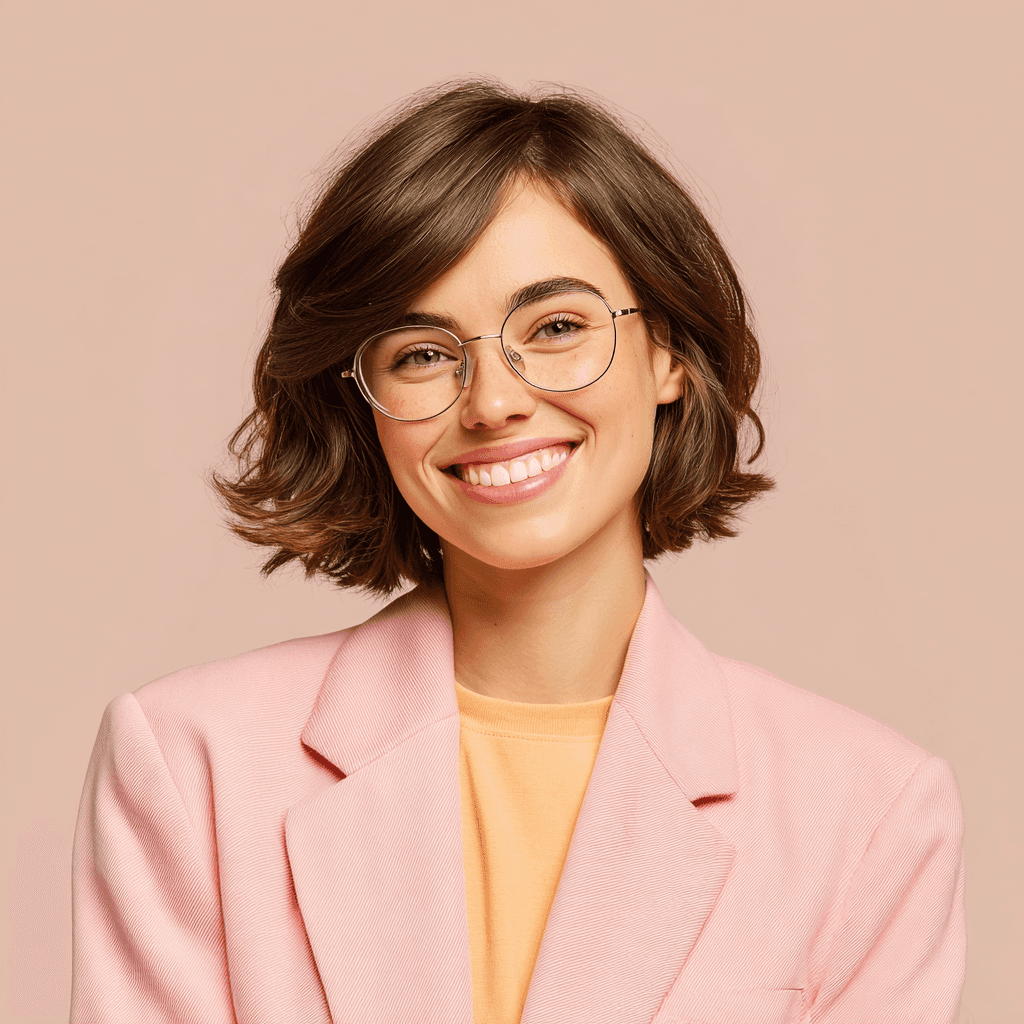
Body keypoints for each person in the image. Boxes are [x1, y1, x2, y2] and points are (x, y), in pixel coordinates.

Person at [70, 80, 966, 1024]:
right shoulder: (192, 764)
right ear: (362, 401)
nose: (493, 401)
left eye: (558, 328)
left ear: (669, 352)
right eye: (420, 352)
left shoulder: (870, 811)